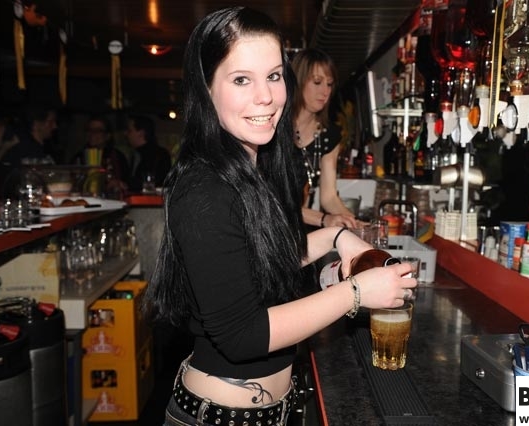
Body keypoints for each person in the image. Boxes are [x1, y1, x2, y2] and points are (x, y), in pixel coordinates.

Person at [144, 7, 416, 426]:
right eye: (241, 80)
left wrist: (335, 239)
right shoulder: (203, 189)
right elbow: (243, 335)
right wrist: (356, 293)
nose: (266, 97)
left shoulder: (255, 167)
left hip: (267, 412)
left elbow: (260, 264)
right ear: (206, 88)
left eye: (273, 76)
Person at [291, 48, 359, 229]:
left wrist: (355, 224)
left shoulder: (329, 136)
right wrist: (323, 219)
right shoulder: (273, 130)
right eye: (317, 82)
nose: (325, 91)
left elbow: (329, 197)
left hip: (302, 231)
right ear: (297, 81)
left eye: (329, 84)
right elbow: (271, 202)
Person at [72, 115, 130, 197]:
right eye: (89, 130)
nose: (92, 134)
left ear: (108, 135)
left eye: (98, 131)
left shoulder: (117, 156)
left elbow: (126, 183)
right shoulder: (79, 157)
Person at [125, 114, 172, 192]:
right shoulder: (135, 154)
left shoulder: (160, 155)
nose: (126, 134)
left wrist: (127, 185)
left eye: (130, 130)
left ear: (141, 133)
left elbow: (158, 182)